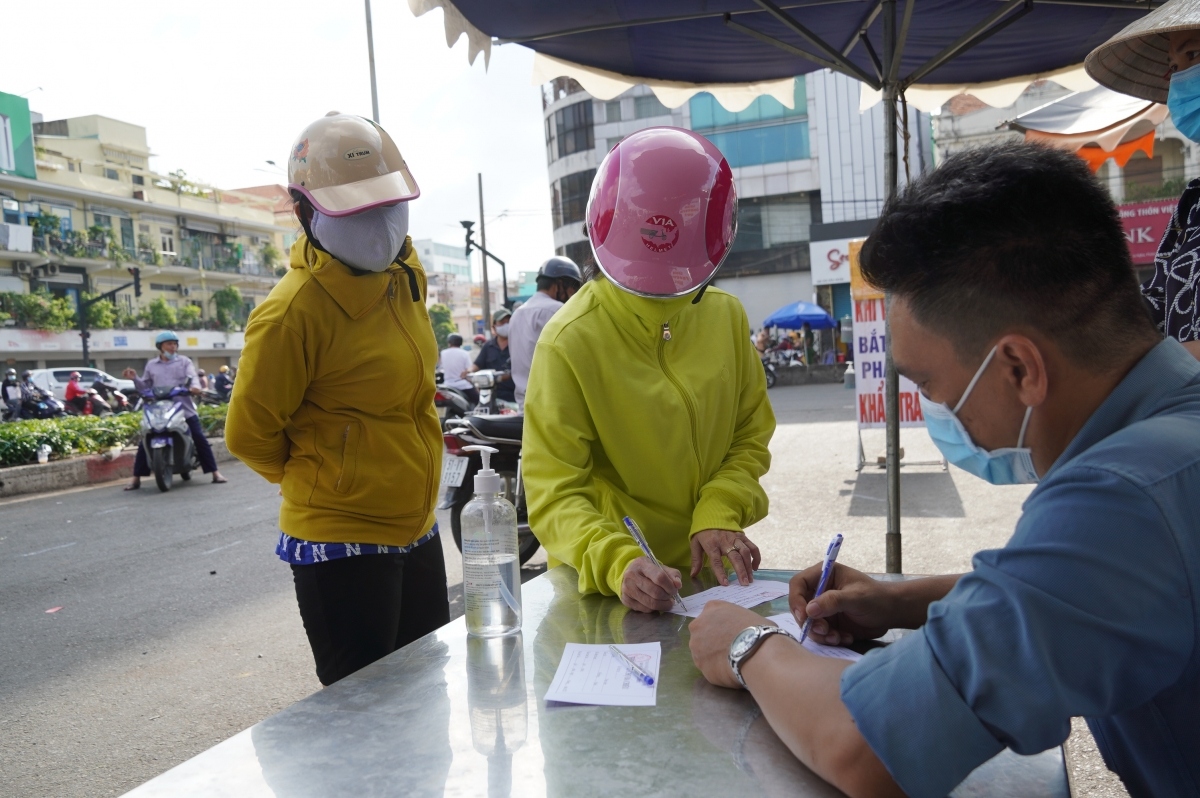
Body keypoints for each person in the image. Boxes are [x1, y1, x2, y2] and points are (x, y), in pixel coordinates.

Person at [688, 142, 1200, 798]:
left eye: (932, 386)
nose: (939, 413)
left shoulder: (1119, 498)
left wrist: (749, 645)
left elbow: (864, 749)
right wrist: (897, 601)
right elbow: (1083, 587)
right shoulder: (1172, 420)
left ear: (1019, 368)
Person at [225, 112, 449, 686]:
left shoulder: (405, 276)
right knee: (367, 724)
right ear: (304, 211)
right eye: (355, 208)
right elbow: (248, 435)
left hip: (417, 526)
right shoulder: (290, 314)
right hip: (343, 541)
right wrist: (332, 476)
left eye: (386, 203)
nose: (379, 224)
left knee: (427, 703)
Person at [523, 126, 775, 613]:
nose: (659, 295)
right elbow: (554, 489)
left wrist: (721, 507)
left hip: (710, 579)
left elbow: (750, 434)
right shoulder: (569, 341)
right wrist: (616, 560)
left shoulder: (725, 316)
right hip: (606, 588)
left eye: (675, 286)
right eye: (641, 285)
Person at [1086, 0, 1200, 360]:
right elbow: (1158, 304)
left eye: (1194, 54)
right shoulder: (1194, 202)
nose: (1179, 80)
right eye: (1174, 67)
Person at [122, 331, 226, 488]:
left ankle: (215, 473)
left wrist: (195, 388)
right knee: (145, 439)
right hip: (159, 409)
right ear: (160, 347)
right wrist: (135, 379)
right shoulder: (151, 365)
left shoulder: (184, 362)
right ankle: (136, 479)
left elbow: (193, 378)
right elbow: (145, 386)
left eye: (174, 344)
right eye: (169, 344)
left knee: (199, 437)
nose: (172, 347)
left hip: (183, 409)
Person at [507, 256, 583, 407]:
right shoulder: (558, 310)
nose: (574, 295)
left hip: (525, 405)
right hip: (554, 405)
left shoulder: (517, 314)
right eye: (573, 288)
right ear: (559, 285)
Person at [471, 308, 515, 404]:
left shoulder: (518, 344)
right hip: (493, 397)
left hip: (515, 397)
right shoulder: (488, 346)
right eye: (502, 322)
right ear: (494, 326)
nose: (506, 325)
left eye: (508, 322)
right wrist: (468, 372)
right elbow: (477, 365)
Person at [438, 333, 478, 406]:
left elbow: (440, 367)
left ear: (449, 342)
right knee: (477, 401)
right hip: (462, 385)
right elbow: (469, 369)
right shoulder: (465, 353)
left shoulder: (443, 353)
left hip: (447, 385)